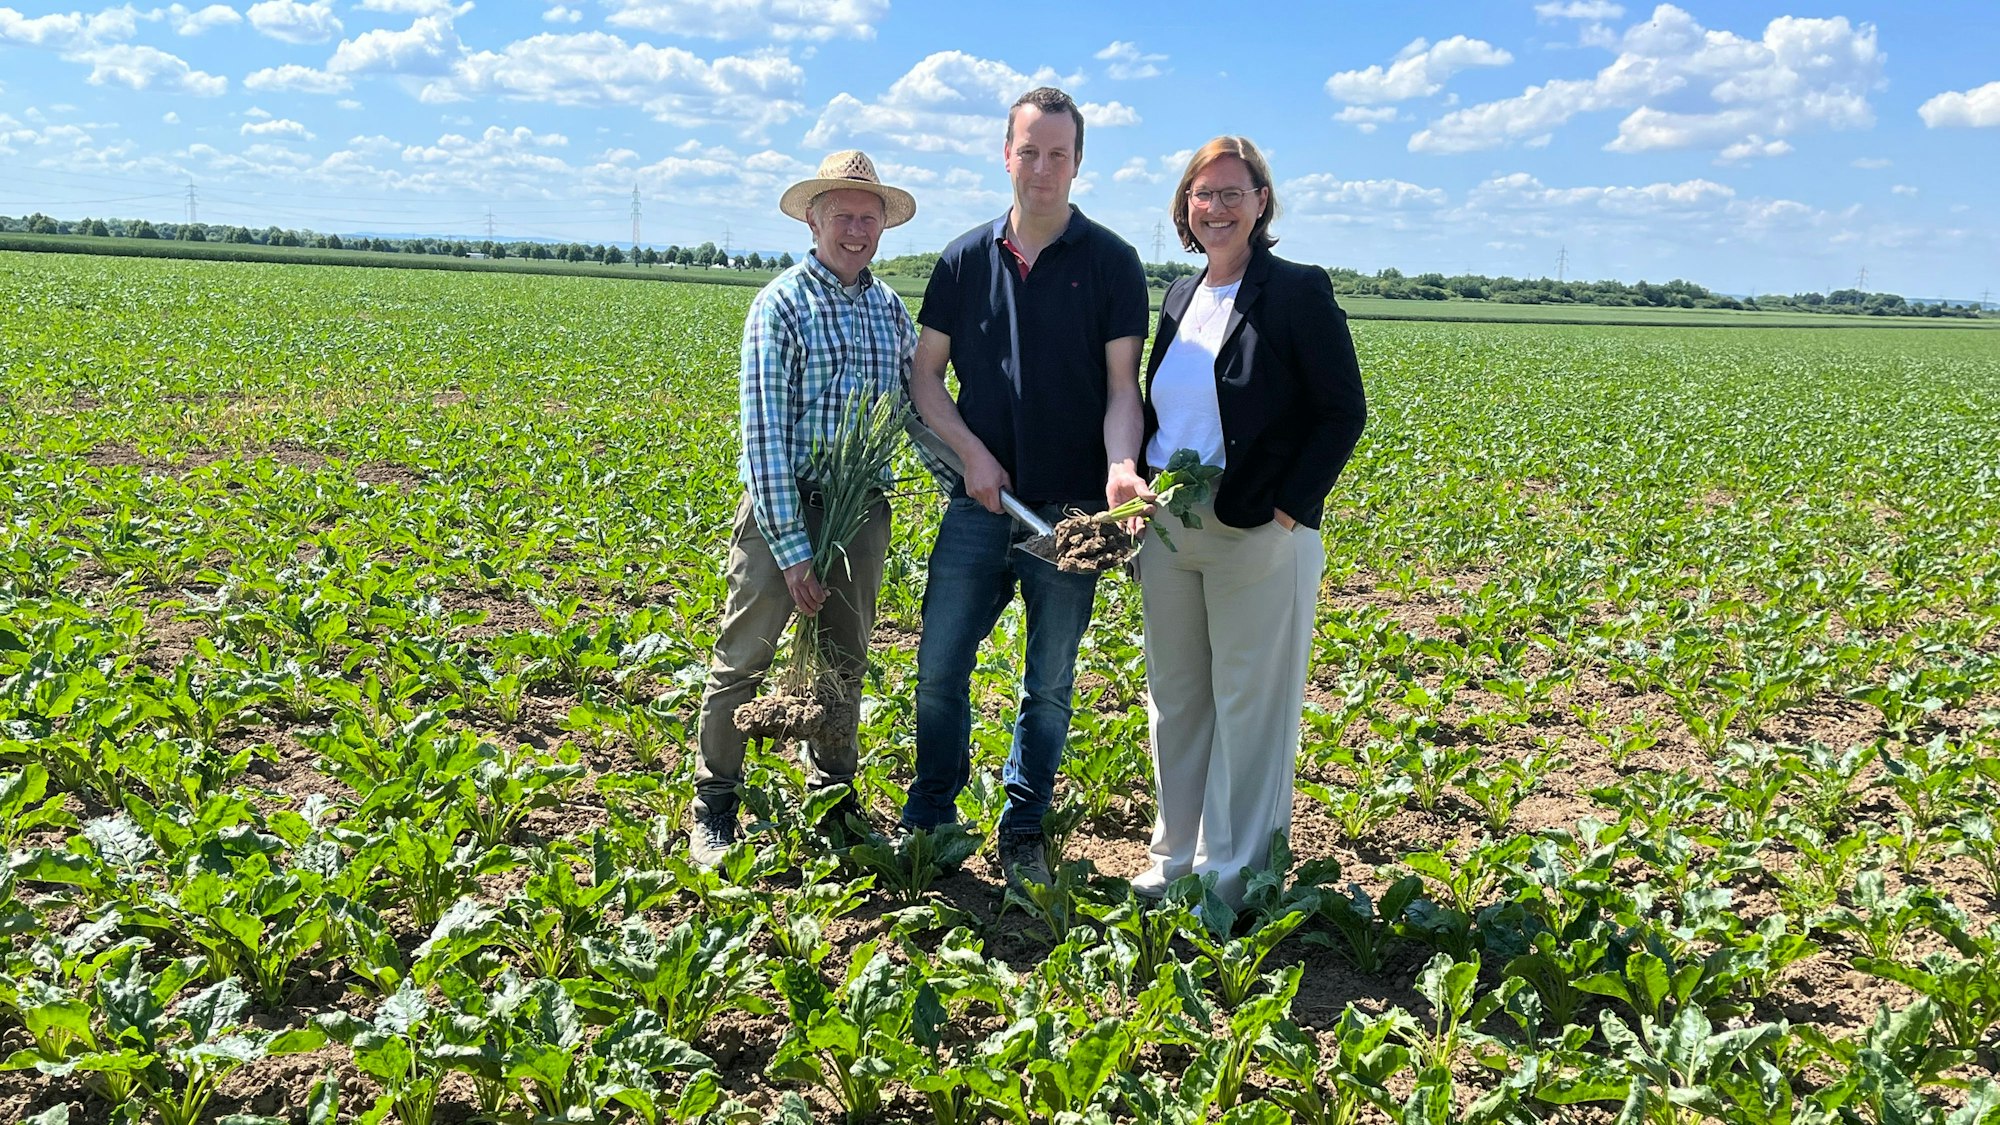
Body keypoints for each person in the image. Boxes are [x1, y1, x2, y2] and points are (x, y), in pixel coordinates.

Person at [899, 87, 1150, 889]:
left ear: (1079, 163)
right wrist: (971, 454)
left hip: (1070, 514)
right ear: (1006, 155)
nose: (1043, 168)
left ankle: (1024, 826)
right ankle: (933, 814)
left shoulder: (1112, 263)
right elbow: (927, 377)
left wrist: (1120, 465)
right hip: (979, 504)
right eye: (1029, 151)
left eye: (1059, 154)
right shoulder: (963, 260)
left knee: (1048, 684)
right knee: (940, 668)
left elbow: (1122, 387)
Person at [1131, 136, 1367, 907]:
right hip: (1170, 520)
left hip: (1256, 524)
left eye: (1235, 193)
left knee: (1249, 704)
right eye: (1204, 194)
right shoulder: (1179, 295)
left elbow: (1343, 409)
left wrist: (1289, 510)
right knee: (1177, 697)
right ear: (1185, 208)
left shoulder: (1295, 291)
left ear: (1262, 202)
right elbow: (1167, 406)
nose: (1218, 208)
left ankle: (1233, 880)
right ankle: (1175, 862)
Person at [688, 150, 920, 867]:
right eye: (842, 215)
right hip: (783, 509)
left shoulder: (890, 311)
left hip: (860, 514)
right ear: (813, 220)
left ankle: (832, 800)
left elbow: (920, 413)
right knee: (744, 659)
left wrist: (976, 475)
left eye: (868, 216)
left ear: (883, 225)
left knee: (844, 662)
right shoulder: (781, 303)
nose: (855, 228)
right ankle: (714, 802)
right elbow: (763, 436)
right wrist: (791, 550)